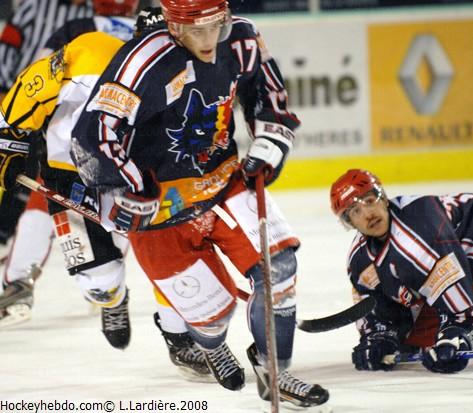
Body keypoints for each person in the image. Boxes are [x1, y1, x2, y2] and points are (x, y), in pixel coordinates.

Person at [72, 0, 330, 408]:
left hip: (223, 180)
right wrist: (130, 186)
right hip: (162, 208)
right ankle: (211, 342)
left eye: (215, 26)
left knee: (279, 269)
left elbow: (268, 93)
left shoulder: (241, 39)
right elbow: (93, 135)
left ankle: (274, 371)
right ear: (174, 26)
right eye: (196, 30)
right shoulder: (143, 61)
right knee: (212, 316)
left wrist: (271, 138)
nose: (209, 39)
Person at [0, 4, 213, 380]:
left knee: (171, 255)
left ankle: (180, 338)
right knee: (100, 283)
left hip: (138, 177)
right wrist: (10, 139)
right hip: (69, 172)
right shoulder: (91, 51)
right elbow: (32, 85)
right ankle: (113, 297)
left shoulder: (187, 75)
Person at [330, 168, 473, 374]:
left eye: (369, 201)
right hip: (451, 281)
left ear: (384, 198)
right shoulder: (360, 260)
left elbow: (456, 302)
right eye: (355, 211)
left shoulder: (421, 228)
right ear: (350, 223)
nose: (368, 214)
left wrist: (456, 333)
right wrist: (379, 336)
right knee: (406, 349)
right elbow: (375, 306)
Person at [0, 0, 93, 249]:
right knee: (6, 159)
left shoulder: (90, 13)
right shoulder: (37, 5)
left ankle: (9, 235)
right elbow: (9, 42)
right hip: (18, 99)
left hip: (56, 110)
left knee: (28, 172)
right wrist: (3, 88)